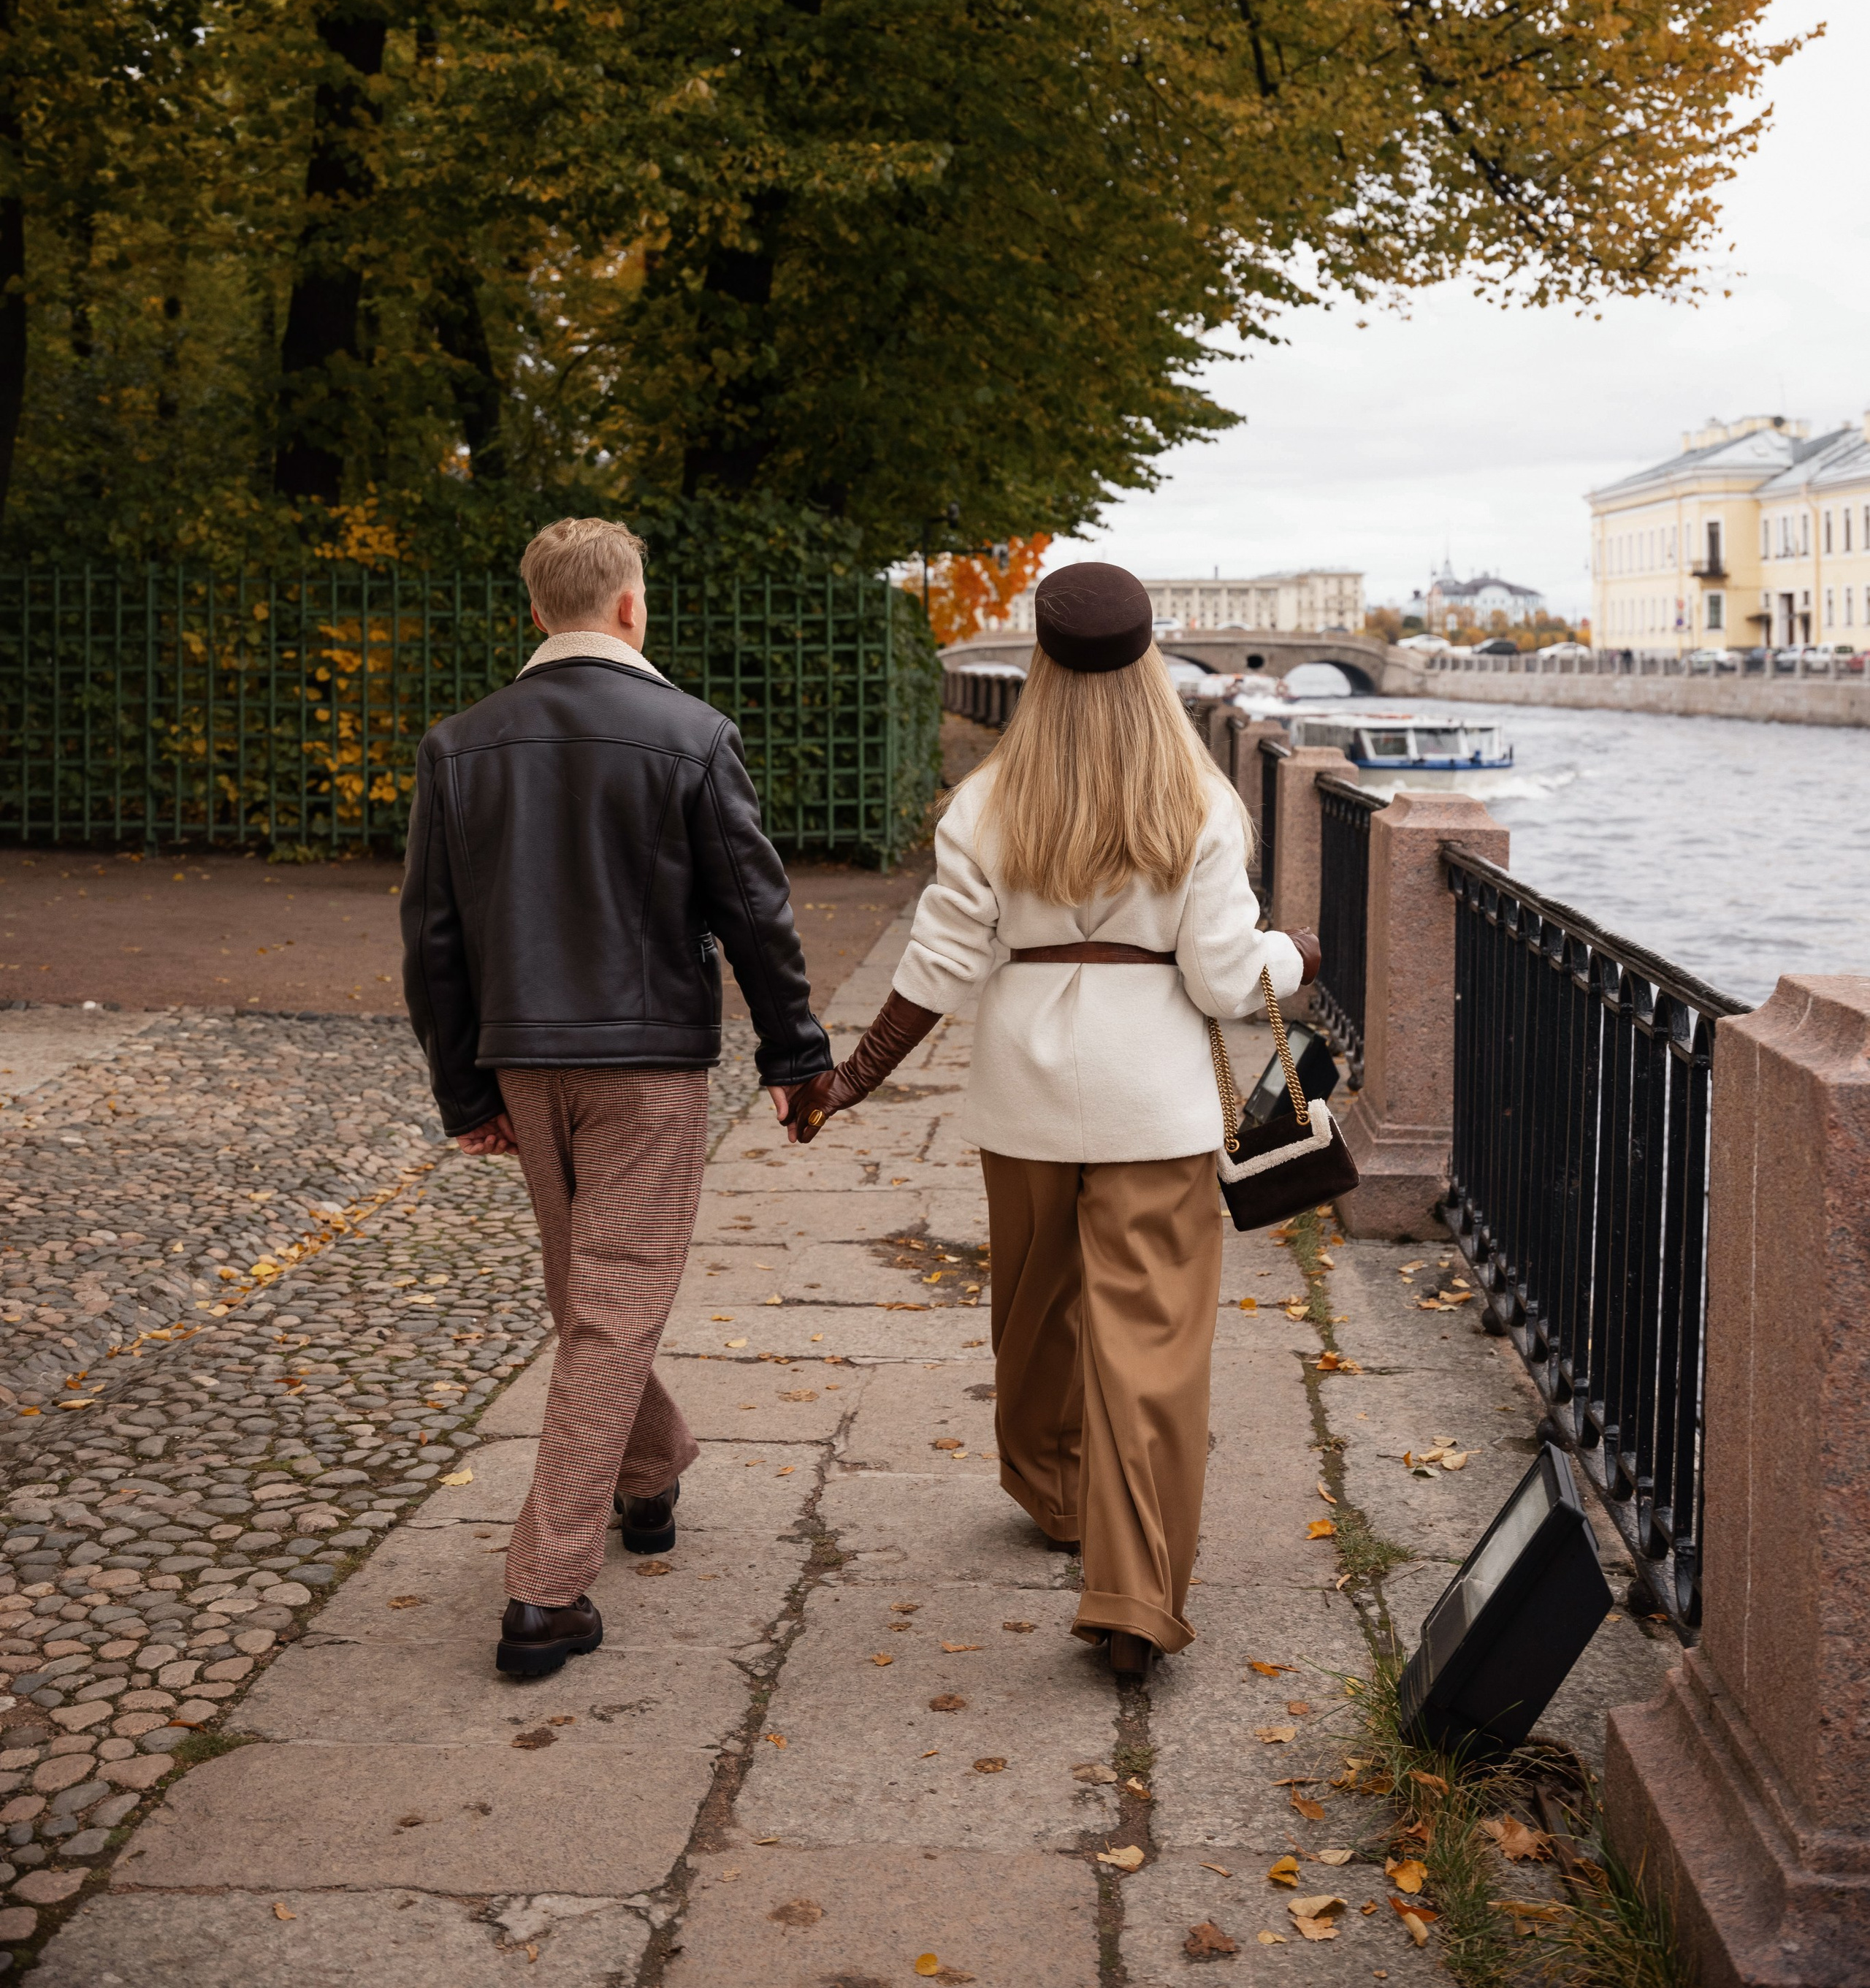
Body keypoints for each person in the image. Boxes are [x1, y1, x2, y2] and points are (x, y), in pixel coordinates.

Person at [774, 562, 1318, 1676]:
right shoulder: (1199, 800)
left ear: (1041, 663)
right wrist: (1295, 955)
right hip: (1152, 1105)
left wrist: (851, 1079)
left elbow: (937, 965)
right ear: (1151, 657)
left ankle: (1052, 1486)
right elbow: (1225, 980)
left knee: (1032, 1310)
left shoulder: (989, 801)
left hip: (1023, 1094)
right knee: (1153, 1347)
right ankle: (1132, 1599)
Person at [401, 516, 829, 1680]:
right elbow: (756, 910)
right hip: (646, 1065)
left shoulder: (460, 744)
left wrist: (464, 1088)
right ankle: (545, 1590)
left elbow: (433, 936)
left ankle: (650, 1470)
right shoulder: (690, 734)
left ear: (539, 610)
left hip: (526, 1061)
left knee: (589, 1293)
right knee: (611, 1300)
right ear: (631, 607)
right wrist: (796, 1058)